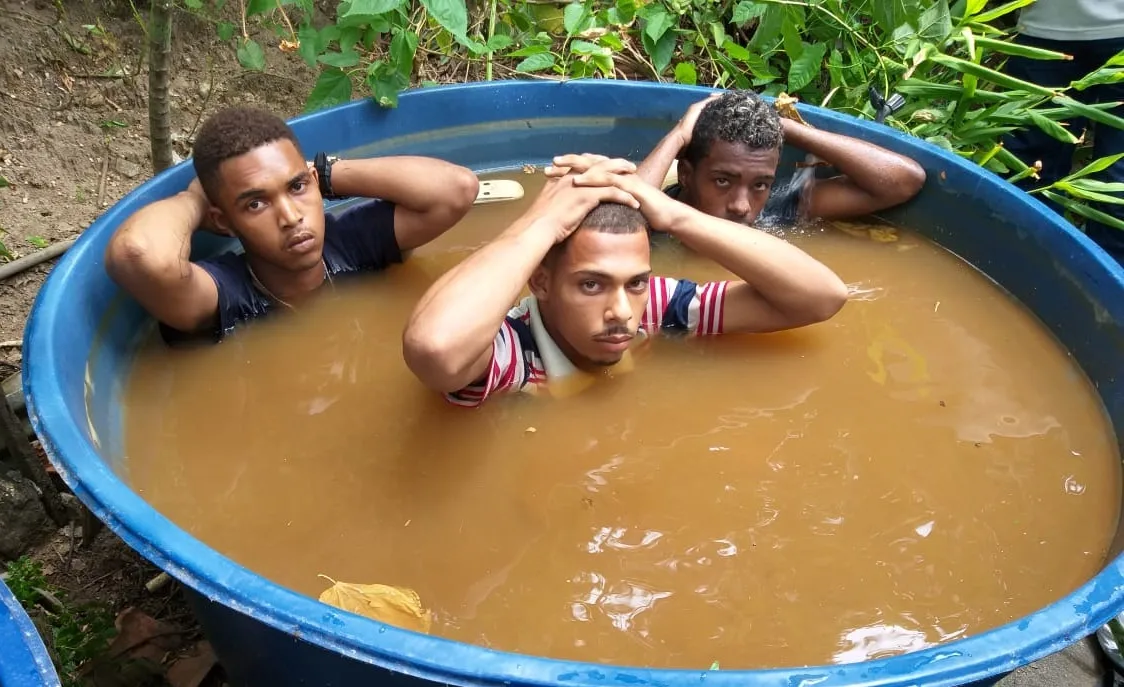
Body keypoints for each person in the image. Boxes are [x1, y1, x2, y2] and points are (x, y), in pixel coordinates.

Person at [400, 154, 848, 408]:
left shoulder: (651, 305)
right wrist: (538, 224)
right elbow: (436, 350)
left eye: (635, 282)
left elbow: (821, 297)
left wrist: (673, 214)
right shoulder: (512, 351)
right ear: (540, 282)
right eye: (591, 285)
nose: (621, 312)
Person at [105, 106, 479, 345]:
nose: (290, 217)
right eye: (256, 203)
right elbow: (138, 254)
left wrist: (326, 174)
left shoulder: (349, 245)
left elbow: (456, 190)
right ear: (223, 222)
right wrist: (194, 200)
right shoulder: (228, 296)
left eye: (296, 187)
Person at [622, 89, 926, 227]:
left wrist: (783, 127)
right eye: (723, 180)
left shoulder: (776, 212)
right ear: (686, 174)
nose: (742, 206)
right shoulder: (654, 217)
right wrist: (679, 134)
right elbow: (619, 221)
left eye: (759, 185)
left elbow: (903, 182)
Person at [1002, 0, 1124, 264]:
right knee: (1118, 177)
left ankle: (1031, 272)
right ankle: (1108, 289)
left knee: (1031, 170)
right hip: (1048, 29)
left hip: (1049, 26)